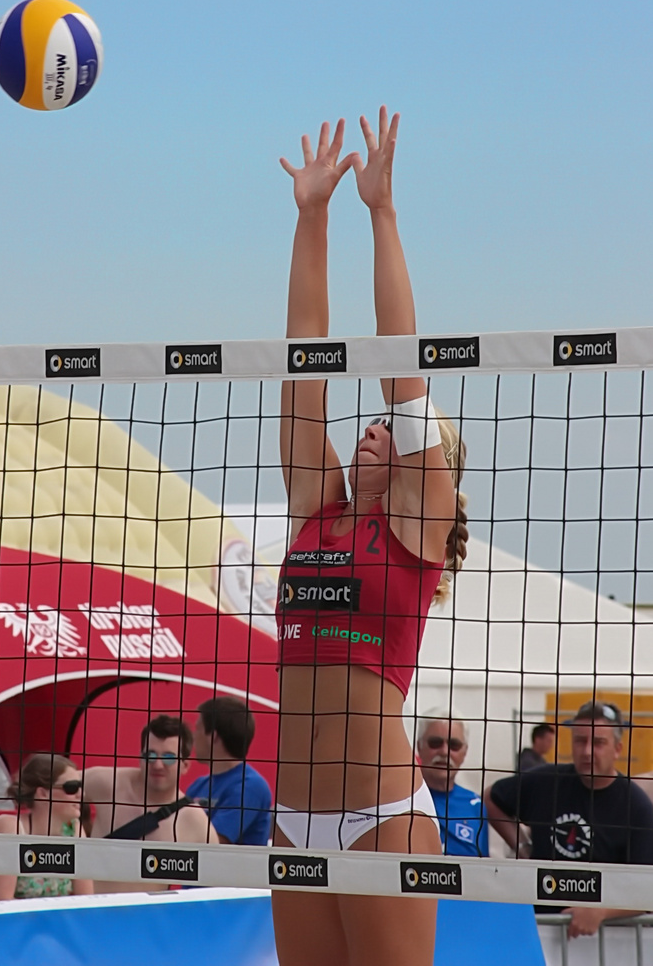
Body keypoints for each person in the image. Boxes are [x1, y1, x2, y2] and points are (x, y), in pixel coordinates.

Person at [272, 109, 468, 966]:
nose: (374, 431)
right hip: (294, 819)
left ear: (434, 476)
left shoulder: (416, 533)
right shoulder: (317, 506)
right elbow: (301, 362)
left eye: (395, 432)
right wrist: (310, 218)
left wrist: (381, 214)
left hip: (382, 819)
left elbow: (402, 366)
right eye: (374, 428)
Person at [484, 700, 653, 939]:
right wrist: (521, 845)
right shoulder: (545, 782)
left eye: (598, 743)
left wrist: (600, 912)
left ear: (618, 748)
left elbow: (648, 892)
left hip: (607, 941)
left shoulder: (636, 806)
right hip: (540, 931)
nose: (587, 751)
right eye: (580, 741)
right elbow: (490, 798)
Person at [85, 714, 217, 893]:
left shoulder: (194, 821)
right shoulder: (106, 784)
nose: (158, 764)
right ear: (140, 757)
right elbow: (53, 786)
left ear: (185, 765)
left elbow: (216, 890)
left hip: (148, 917)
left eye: (169, 758)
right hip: (93, 915)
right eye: (151, 755)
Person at [0, 753, 93, 900]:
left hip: (59, 920)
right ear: (43, 793)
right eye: (72, 788)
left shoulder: (74, 830)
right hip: (17, 921)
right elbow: (1, 902)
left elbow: (85, 901)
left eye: (81, 787)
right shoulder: (10, 828)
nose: (81, 794)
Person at [188, 696, 272, 845]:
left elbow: (214, 844)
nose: (193, 736)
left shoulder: (250, 786)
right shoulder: (199, 785)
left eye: (197, 728)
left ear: (213, 737)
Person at [418, 713, 488, 857]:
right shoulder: (403, 798)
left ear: (465, 752)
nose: (444, 752)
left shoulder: (476, 805)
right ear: (420, 746)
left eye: (454, 745)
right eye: (435, 743)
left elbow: (484, 869)